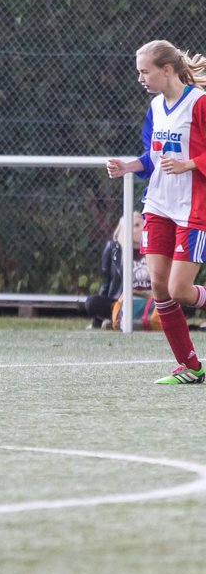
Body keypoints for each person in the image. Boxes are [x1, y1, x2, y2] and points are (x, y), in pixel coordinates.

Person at [106, 40, 206, 383]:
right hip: (158, 206)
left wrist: (190, 164)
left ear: (166, 70)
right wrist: (127, 165)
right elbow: (153, 157)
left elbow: (188, 159)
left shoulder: (199, 104)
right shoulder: (155, 108)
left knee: (181, 290)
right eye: (138, 72)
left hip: (192, 209)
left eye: (144, 71)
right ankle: (191, 367)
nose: (140, 78)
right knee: (160, 289)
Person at [84, 217, 150, 330]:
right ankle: (118, 319)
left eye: (143, 223)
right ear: (126, 229)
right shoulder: (113, 250)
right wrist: (97, 321)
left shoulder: (154, 250)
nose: (143, 227)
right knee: (91, 302)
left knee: (181, 298)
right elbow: (106, 283)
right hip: (121, 303)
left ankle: (117, 322)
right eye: (137, 225)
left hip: (149, 301)